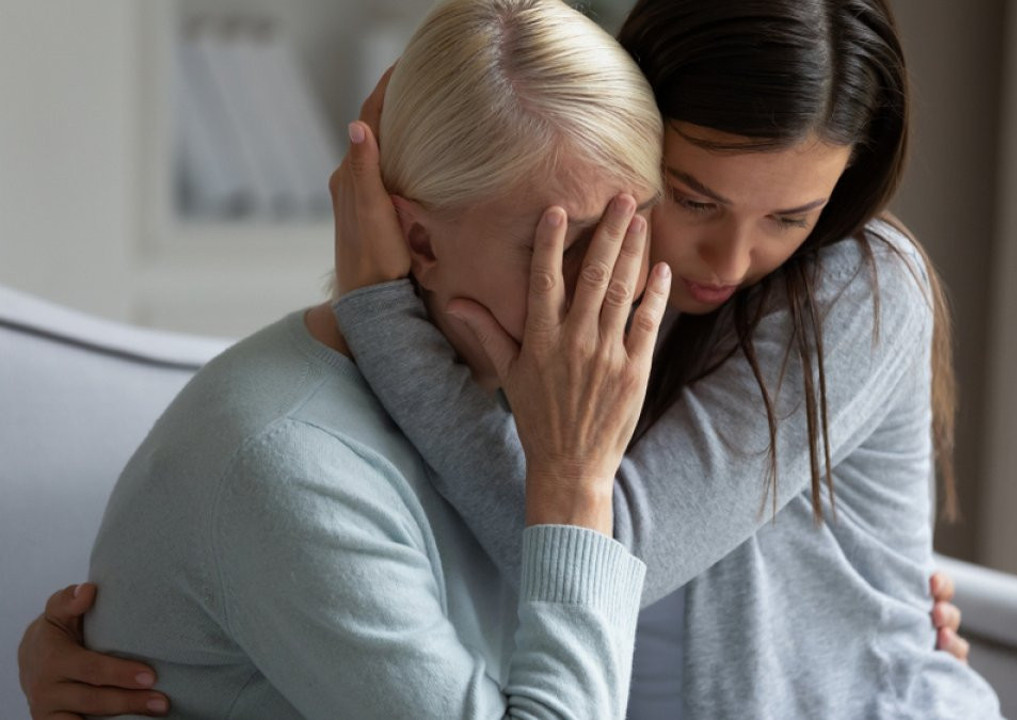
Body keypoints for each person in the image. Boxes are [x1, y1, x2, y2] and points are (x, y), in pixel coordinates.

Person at [18, 0, 976, 717]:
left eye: (791, 216)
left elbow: (599, 543)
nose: (729, 262)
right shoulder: (541, 294)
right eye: (691, 196)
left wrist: (385, 311)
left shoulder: (853, 285)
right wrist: (145, 639)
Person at [17, 0, 672, 717]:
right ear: (420, 244)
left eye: (633, 235)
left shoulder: (529, 394)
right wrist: (574, 482)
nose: (617, 285)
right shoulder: (283, 467)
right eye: (569, 247)